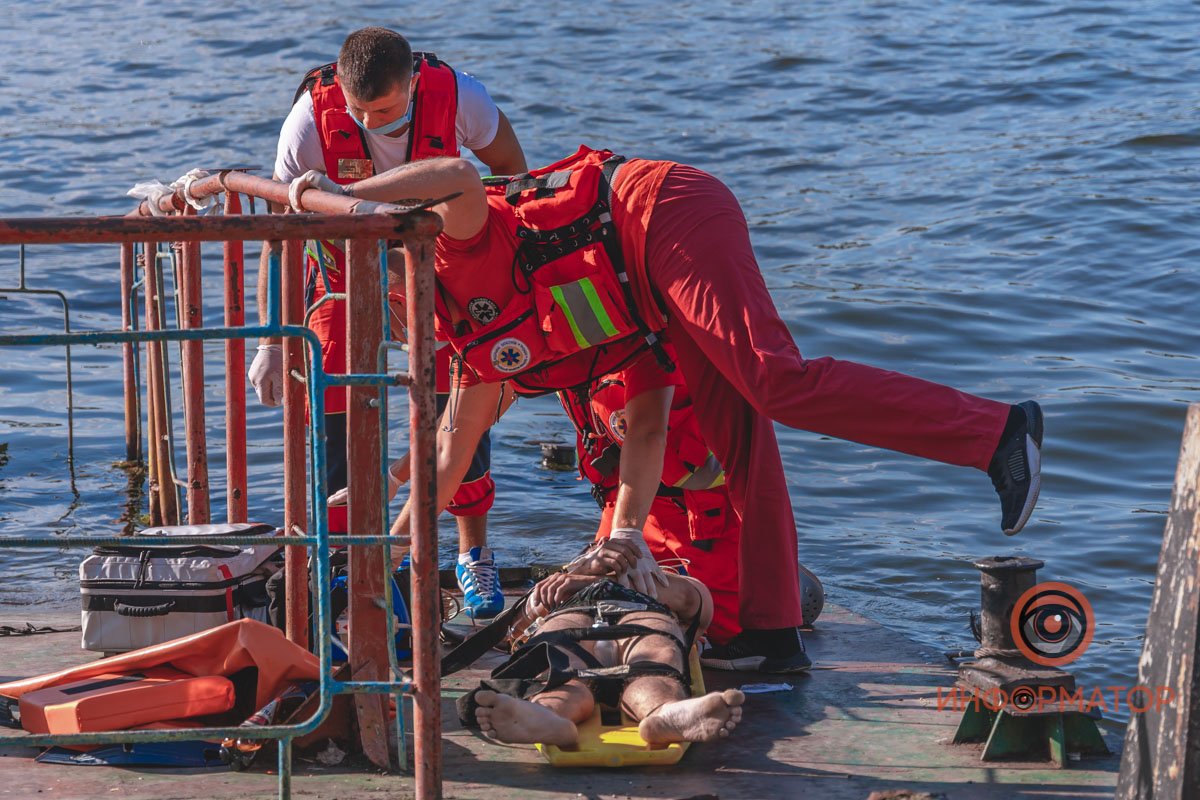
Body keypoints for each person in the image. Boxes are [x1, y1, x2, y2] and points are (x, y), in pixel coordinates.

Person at [287, 144, 1045, 670]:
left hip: (662, 214)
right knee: (738, 431)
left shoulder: (452, 247)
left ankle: (997, 432)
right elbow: (447, 461)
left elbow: (456, 173)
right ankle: (775, 631)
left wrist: (332, 198)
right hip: (644, 301)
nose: (388, 333)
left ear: (393, 277)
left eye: (380, 315)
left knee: (771, 378)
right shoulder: (470, 350)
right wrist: (380, 549)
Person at [250, 27, 527, 618]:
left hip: (438, 272)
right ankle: (348, 554)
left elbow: (513, 176)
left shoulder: (461, 96)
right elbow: (279, 238)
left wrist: (484, 270)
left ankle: (471, 553)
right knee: (331, 392)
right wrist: (272, 342)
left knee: (461, 391)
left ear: (413, 84)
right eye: (360, 110)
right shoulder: (308, 120)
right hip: (346, 275)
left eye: (387, 110)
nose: (372, 121)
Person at [559, 345, 754, 665]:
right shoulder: (556, 341)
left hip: (703, 520)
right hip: (629, 504)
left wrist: (625, 533)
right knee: (591, 601)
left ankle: (785, 583)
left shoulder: (656, 338)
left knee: (726, 627)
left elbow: (650, 434)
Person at [460, 539, 746, 748]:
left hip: (640, 613)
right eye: (601, 550)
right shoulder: (558, 585)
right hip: (572, 615)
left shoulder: (658, 582)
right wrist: (565, 582)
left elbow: (698, 604)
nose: (612, 556)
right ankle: (548, 716)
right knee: (559, 661)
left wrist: (596, 581)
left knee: (655, 657)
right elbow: (513, 632)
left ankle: (664, 713)